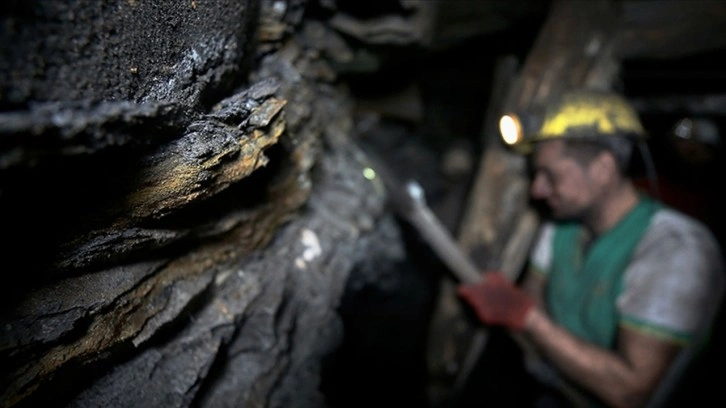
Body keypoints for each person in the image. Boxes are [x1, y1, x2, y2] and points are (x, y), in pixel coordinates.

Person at [456, 89, 725, 408]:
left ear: (603, 169)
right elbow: (534, 294)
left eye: (550, 175)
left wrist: (526, 318)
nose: (537, 189)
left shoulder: (675, 250)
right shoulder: (560, 225)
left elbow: (630, 391)